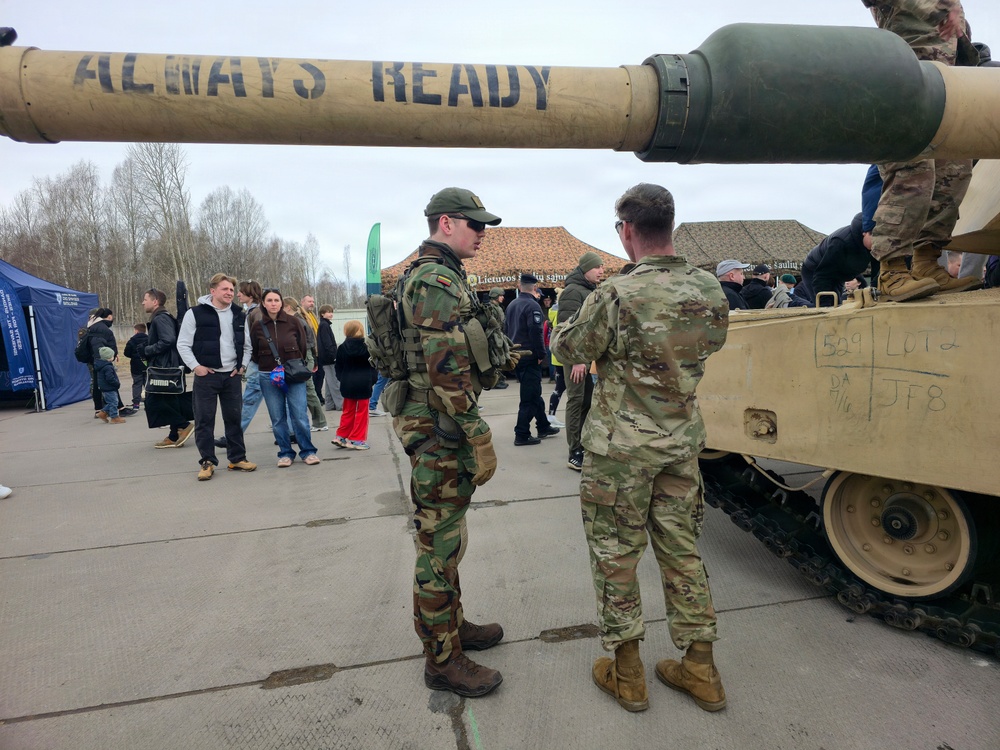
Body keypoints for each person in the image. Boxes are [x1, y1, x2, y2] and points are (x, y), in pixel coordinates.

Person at [551, 183, 729, 714]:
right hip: (679, 443)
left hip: (620, 451)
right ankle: (701, 666)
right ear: (669, 226)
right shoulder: (710, 289)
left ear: (626, 231)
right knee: (681, 550)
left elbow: (569, 348)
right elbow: (712, 343)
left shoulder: (616, 293)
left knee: (616, 555)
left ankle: (627, 673)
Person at [395, 187, 504, 698]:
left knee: (448, 538)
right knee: (437, 548)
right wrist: (477, 433)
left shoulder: (439, 274)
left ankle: (453, 629)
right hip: (441, 425)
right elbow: (444, 368)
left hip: (438, 421)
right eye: (475, 225)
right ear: (446, 223)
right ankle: (442, 661)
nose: (482, 234)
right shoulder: (435, 279)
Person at [861, 0, 982, 301]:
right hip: (903, 85)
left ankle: (928, 261)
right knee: (913, 170)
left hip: (945, 86)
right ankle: (892, 269)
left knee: (955, 170)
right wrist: (944, 7)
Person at [176, 273, 257, 481]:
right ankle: (207, 462)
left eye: (231, 289)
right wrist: (196, 367)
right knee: (204, 420)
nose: (230, 293)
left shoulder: (240, 314)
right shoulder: (195, 313)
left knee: (234, 419)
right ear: (213, 291)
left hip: (231, 376)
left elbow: (247, 345)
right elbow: (183, 344)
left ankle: (237, 458)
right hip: (206, 377)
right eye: (225, 289)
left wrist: (242, 366)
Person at [248, 289, 321, 467]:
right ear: (263, 303)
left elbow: (303, 347)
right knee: (277, 417)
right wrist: (268, 365)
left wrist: (291, 364)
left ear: (282, 303)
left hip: (293, 374)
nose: (273, 303)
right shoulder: (258, 326)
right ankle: (285, 453)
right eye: (269, 300)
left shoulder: (294, 322)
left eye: (276, 300)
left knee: (299, 415)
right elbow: (255, 352)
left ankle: (308, 451)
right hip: (268, 375)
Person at [557, 251, 604, 469]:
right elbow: (568, 328)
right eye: (597, 267)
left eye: (602, 267)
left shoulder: (589, 290)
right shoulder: (572, 292)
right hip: (576, 356)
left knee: (587, 400)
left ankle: (583, 444)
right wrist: (577, 359)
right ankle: (574, 450)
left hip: (587, 356)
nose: (601, 271)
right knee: (576, 401)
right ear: (585, 269)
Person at [504, 273, 560, 446]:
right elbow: (535, 332)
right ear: (535, 288)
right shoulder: (532, 306)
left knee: (534, 393)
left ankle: (543, 425)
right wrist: (541, 354)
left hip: (516, 355)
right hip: (529, 356)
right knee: (529, 397)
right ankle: (521, 433)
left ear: (520, 286)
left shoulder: (512, 304)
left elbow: (506, 330)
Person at [142, 288, 194, 449]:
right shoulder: (162, 317)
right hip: (168, 365)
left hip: (164, 367)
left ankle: (183, 425)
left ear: (155, 301)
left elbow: (168, 340)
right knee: (170, 400)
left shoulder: (160, 318)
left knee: (155, 401)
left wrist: (147, 350)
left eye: (145, 299)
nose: (143, 302)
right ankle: (174, 434)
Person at [798, 213, 874, 306]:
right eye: (874, 239)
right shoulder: (840, 242)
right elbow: (822, 276)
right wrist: (825, 307)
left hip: (840, 272)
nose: (877, 243)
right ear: (864, 233)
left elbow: (877, 272)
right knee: (826, 303)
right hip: (815, 269)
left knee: (838, 303)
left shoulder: (875, 244)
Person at [283, 297, 328, 432]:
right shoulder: (301, 319)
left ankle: (319, 422)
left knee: (308, 390)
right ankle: (316, 421)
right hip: (305, 357)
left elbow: (305, 343)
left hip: (302, 357)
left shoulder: (296, 321)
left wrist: (310, 359)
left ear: (288, 307)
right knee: (307, 390)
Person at [331, 319, 378, 450]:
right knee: (362, 412)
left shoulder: (342, 347)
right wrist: (372, 380)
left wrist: (342, 379)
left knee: (348, 411)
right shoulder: (367, 347)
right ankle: (357, 439)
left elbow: (338, 367)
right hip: (364, 382)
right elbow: (374, 366)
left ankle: (341, 436)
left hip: (347, 383)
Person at [317, 304, 344, 412]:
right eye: (328, 312)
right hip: (329, 358)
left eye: (331, 311)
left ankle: (329, 404)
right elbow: (327, 343)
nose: (330, 314)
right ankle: (340, 405)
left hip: (325, 358)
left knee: (329, 382)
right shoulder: (324, 325)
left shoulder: (324, 325)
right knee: (335, 382)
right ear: (322, 314)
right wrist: (334, 356)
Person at [301, 294, 325, 403]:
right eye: (309, 301)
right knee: (314, 375)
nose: (312, 304)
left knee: (320, 374)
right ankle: (314, 397)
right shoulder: (301, 316)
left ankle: (318, 395)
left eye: (313, 302)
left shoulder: (312, 315)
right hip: (310, 350)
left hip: (317, 350)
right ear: (302, 302)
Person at [94, 346, 125, 424]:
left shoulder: (101, 365)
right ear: (108, 357)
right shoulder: (108, 367)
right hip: (109, 387)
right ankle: (114, 417)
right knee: (114, 402)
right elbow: (110, 378)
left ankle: (103, 413)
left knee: (111, 402)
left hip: (104, 387)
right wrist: (116, 383)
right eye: (112, 356)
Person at [485, 288, 509, 390]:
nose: (503, 297)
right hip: (493, 336)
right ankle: (495, 381)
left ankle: (498, 379)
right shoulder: (491, 308)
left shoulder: (497, 307)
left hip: (498, 335)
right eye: (501, 295)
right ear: (495, 295)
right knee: (495, 359)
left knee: (499, 358)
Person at [122, 323, 148, 411]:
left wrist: (133, 356)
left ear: (136, 331)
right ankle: (149, 402)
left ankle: (136, 403)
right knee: (148, 384)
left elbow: (126, 353)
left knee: (137, 384)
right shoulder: (149, 339)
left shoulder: (132, 341)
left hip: (136, 365)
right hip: (147, 365)